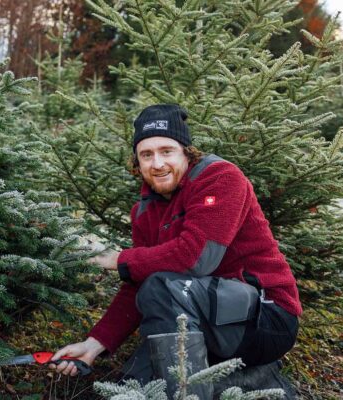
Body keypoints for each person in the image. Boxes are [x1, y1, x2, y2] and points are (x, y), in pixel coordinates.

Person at [49, 104, 301, 398]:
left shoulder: (220, 177)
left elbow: (197, 258)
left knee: (161, 287)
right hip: (205, 317)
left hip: (267, 318)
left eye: (166, 151)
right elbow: (139, 284)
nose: (157, 163)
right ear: (137, 162)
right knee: (126, 390)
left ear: (186, 152)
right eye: (147, 154)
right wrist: (94, 345)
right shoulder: (144, 212)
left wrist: (117, 259)